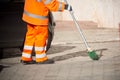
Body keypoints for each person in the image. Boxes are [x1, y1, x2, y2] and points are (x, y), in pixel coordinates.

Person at [21, 0, 72, 64]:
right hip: (39, 18)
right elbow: (52, 4)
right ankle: (41, 58)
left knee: (30, 36)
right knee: (40, 37)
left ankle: (26, 57)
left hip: (29, 17)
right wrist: (65, 6)